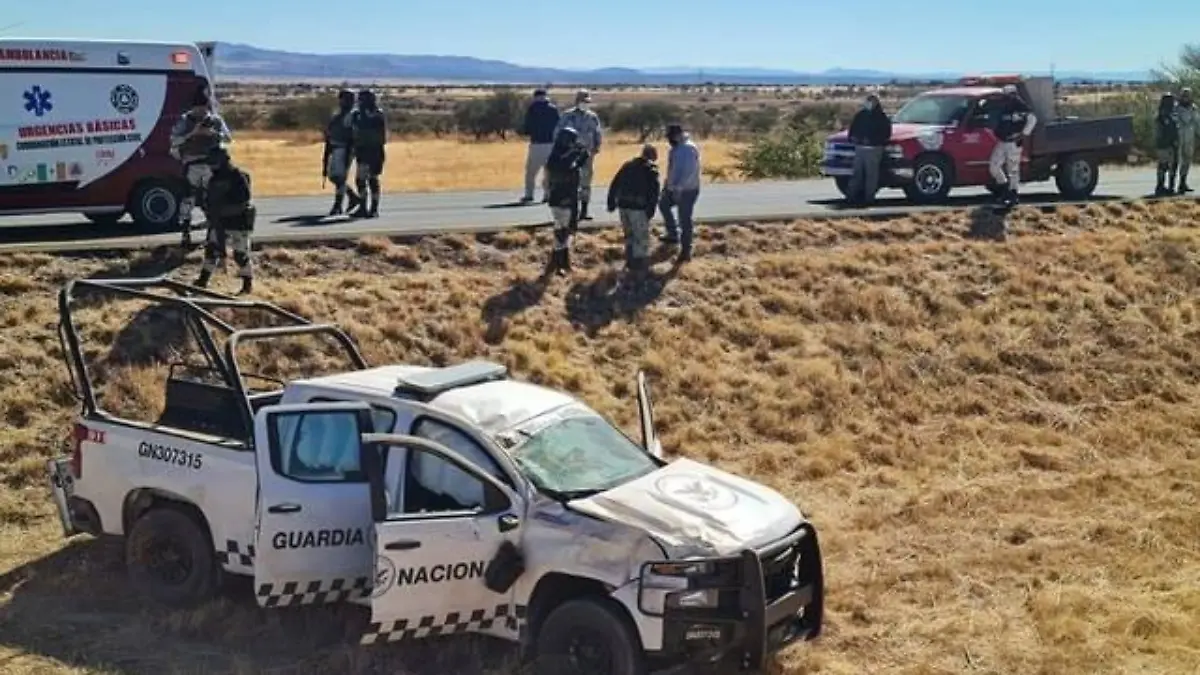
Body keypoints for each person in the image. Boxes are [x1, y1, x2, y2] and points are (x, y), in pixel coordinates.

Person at [169, 84, 232, 248]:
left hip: (211, 166)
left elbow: (228, 138)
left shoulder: (215, 120)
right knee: (188, 200)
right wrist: (192, 134)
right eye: (198, 109)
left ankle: (212, 236)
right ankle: (185, 234)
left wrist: (213, 134)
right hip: (191, 165)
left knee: (212, 201)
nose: (201, 112)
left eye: (203, 109)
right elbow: (174, 140)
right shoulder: (185, 121)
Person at [194, 147, 256, 295]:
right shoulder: (213, 179)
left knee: (240, 255)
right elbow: (209, 201)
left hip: (238, 222)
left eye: (214, 162)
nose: (211, 166)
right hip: (220, 222)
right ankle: (202, 281)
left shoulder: (237, 177)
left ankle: (247, 284)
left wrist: (223, 211)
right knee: (211, 251)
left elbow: (244, 201)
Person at [606, 144, 661, 274]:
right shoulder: (651, 170)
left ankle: (629, 261)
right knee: (640, 238)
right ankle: (639, 268)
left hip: (623, 206)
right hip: (638, 208)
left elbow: (615, 183)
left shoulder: (627, 165)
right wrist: (650, 211)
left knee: (629, 235)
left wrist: (611, 202)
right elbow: (654, 193)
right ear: (653, 156)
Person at [543, 126, 590, 276]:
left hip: (570, 196)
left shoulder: (564, 154)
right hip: (560, 197)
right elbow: (563, 167)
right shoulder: (555, 157)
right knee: (561, 230)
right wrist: (575, 153)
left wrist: (583, 156)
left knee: (568, 229)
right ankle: (558, 263)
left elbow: (574, 166)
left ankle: (562, 261)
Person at [985, 84, 1037, 208]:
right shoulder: (1002, 108)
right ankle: (1004, 188)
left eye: (1008, 95)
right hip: (1002, 141)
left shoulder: (1021, 108)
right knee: (994, 166)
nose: (1007, 98)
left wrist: (1023, 135)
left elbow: (1033, 119)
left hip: (1014, 142)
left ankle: (1013, 194)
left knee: (1013, 169)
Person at [554, 89, 603, 221]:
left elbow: (597, 133)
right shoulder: (567, 116)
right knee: (571, 182)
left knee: (586, 182)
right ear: (577, 102)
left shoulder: (592, 117)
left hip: (587, 154)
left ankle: (584, 210)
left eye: (587, 102)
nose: (585, 104)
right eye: (583, 101)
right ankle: (571, 211)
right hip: (571, 155)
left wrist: (597, 147)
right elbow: (558, 133)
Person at [658, 124, 702, 262]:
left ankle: (685, 251)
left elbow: (688, 173)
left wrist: (678, 189)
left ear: (678, 135)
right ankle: (672, 234)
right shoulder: (676, 148)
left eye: (671, 137)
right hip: (673, 188)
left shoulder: (688, 149)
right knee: (663, 204)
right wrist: (667, 185)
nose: (669, 140)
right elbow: (673, 170)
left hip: (687, 190)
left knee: (684, 220)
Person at [845, 93, 892, 205]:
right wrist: (853, 138)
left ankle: (869, 198)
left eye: (871, 101)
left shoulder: (881, 117)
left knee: (872, 175)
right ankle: (850, 196)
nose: (869, 103)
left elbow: (886, 134)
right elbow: (853, 129)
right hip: (860, 148)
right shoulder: (861, 115)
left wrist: (873, 141)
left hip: (874, 149)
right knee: (857, 173)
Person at [322, 89, 363, 216]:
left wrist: (349, 151)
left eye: (345, 99)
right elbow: (329, 134)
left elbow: (353, 135)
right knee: (334, 176)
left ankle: (338, 205)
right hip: (334, 147)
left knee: (339, 176)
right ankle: (351, 197)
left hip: (344, 148)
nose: (343, 101)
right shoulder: (337, 114)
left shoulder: (353, 115)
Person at [350, 88, 387, 218]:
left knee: (371, 179)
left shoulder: (376, 114)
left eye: (361, 99)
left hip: (374, 150)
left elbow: (379, 135)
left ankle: (373, 208)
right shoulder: (357, 115)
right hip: (362, 151)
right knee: (361, 180)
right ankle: (364, 207)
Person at [520, 88, 560, 204]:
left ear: (536, 96)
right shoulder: (553, 109)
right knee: (549, 171)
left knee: (531, 172)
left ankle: (529, 195)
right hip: (551, 144)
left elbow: (527, 128)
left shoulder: (532, 109)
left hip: (537, 144)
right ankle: (548, 194)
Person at [1155, 92, 1180, 196]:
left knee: (1173, 166)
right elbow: (1161, 132)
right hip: (1164, 145)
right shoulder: (1162, 115)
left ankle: (1171, 187)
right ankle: (1160, 186)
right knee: (1163, 166)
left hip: (1172, 144)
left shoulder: (1172, 113)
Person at [1176, 87, 1197, 194]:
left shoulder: (1193, 108)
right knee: (1177, 161)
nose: (1186, 97)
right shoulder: (1176, 108)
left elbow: (1197, 122)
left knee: (1187, 161)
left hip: (1189, 137)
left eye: (1188, 95)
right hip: (1179, 137)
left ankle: (1183, 183)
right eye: (1184, 95)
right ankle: (1170, 184)